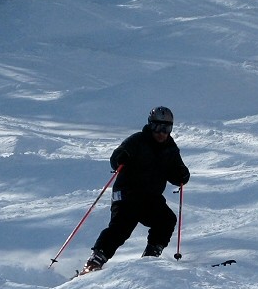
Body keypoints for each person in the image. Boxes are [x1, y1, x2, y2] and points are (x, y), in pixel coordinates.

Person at [81, 106, 190, 273]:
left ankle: (151, 256)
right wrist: (120, 158)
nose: (161, 132)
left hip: (150, 197)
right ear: (150, 125)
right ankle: (96, 259)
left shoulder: (170, 149)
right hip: (127, 194)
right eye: (157, 127)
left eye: (166, 128)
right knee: (121, 226)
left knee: (166, 219)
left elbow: (177, 173)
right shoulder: (137, 140)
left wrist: (182, 175)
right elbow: (116, 156)